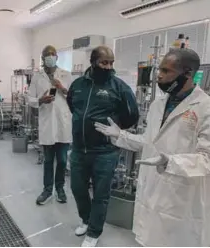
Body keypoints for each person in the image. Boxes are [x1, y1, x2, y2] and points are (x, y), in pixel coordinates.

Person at [95, 48, 210, 247]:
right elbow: (150, 143)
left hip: (181, 199)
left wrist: (171, 162)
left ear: (188, 73)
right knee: (149, 239)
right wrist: (120, 136)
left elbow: (206, 158)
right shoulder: (159, 104)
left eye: (166, 71)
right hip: (151, 191)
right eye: (160, 70)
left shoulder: (205, 107)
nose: (159, 76)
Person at [67, 46, 139, 247]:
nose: (108, 67)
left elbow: (132, 115)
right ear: (93, 62)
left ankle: (94, 232)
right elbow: (72, 105)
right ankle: (86, 219)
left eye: (111, 63)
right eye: (104, 63)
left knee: (101, 194)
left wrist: (116, 129)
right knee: (77, 188)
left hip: (105, 152)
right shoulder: (78, 85)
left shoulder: (119, 87)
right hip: (80, 149)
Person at [28, 45, 73, 205]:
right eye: (46, 55)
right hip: (47, 122)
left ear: (57, 57)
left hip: (63, 123)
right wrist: (40, 100)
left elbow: (74, 98)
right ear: (42, 58)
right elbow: (30, 99)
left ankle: (60, 189)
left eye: (52, 54)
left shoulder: (66, 75)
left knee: (61, 160)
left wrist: (63, 88)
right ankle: (47, 190)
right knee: (48, 160)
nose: (49, 57)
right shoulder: (37, 77)